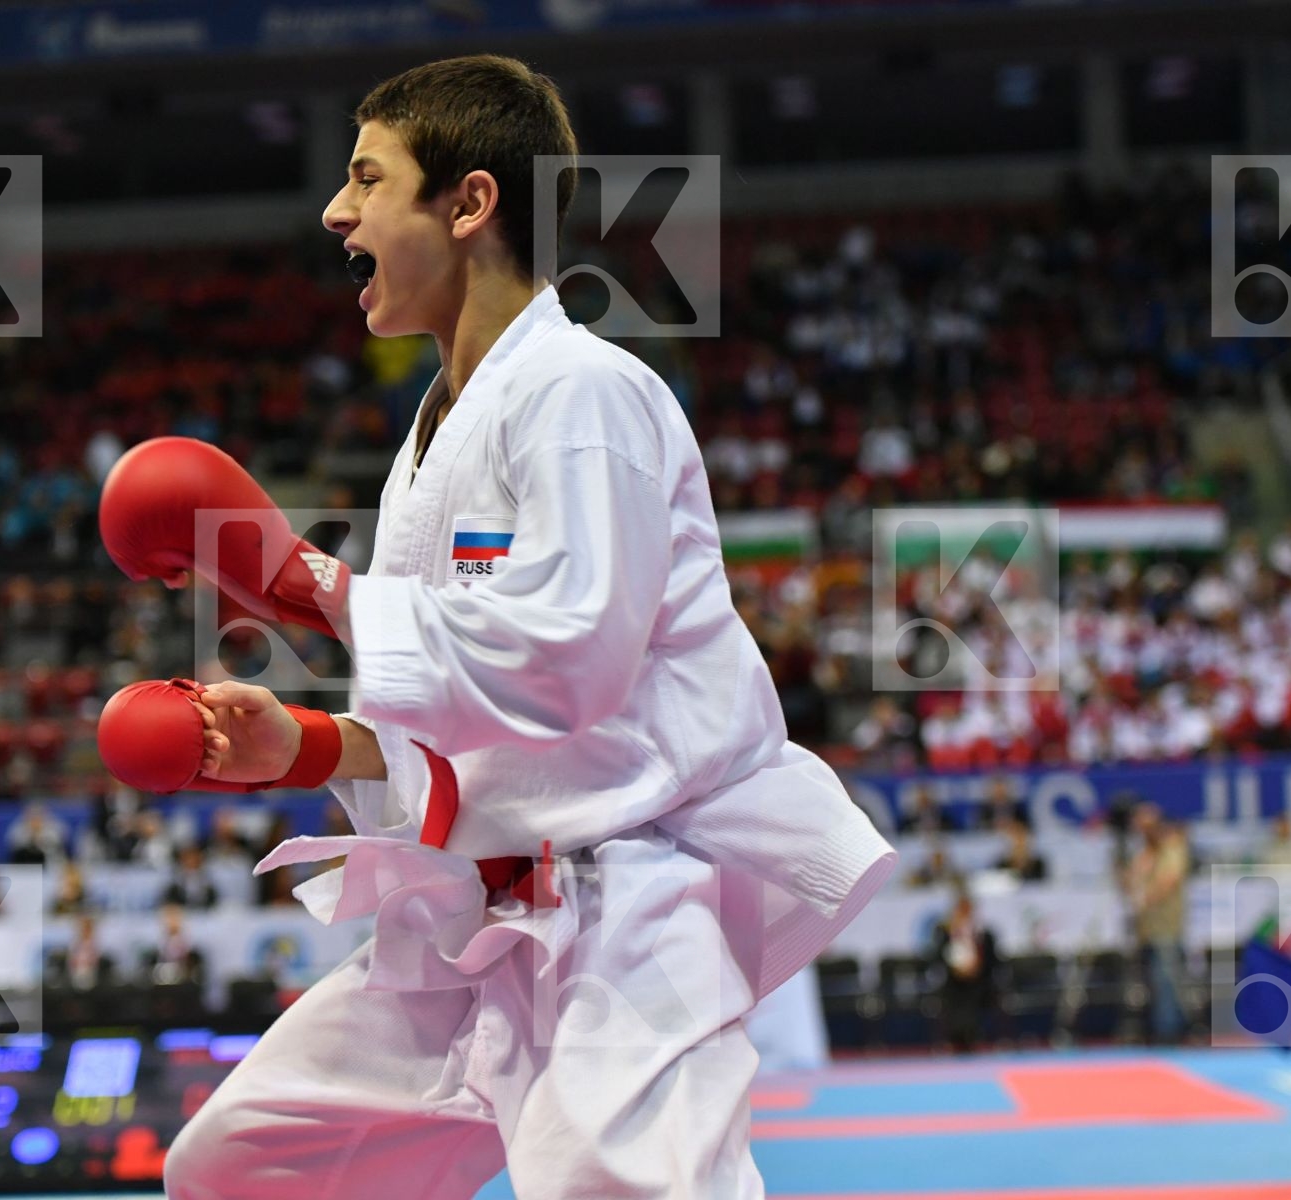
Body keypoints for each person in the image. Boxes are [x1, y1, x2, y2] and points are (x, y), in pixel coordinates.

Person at [96, 54, 894, 1200]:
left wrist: (307, 580)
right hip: (471, 920)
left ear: (469, 204)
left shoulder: (585, 394)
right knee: (238, 1172)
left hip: (622, 912)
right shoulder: (425, 449)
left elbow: (570, 661)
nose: (335, 211)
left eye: (368, 179)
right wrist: (305, 745)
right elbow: (466, 734)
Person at [1125, 803, 1191, 1044]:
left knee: (1167, 979)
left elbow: (1169, 880)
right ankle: (1157, 1029)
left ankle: (1170, 1033)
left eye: (1147, 827)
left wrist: (1145, 897)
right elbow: (1130, 882)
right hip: (1146, 928)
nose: (1143, 832)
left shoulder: (1172, 848)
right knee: (1152, 981)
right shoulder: (1144, 854)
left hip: (1167, 925)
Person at [925, 888, 997, 1053]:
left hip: (978, 979)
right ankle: (954, 1038)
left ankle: (972, 1036)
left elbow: (993, 960)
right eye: (961, 908)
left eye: (968, 908)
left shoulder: (983, 933)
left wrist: (976, 967)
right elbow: (937, 957)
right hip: (953, 979)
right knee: (950, 993)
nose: (964, 912)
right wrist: (956, 968)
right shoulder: (945, 932)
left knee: (976, 992)